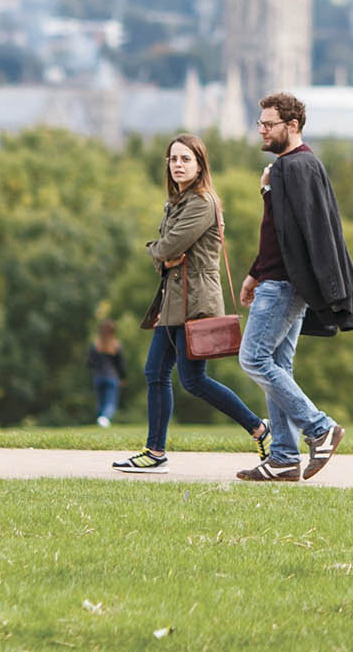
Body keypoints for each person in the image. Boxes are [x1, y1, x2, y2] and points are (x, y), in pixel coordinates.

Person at [111, 133, 270, 474]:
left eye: (186, 159)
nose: (178, 165)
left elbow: (169, 248)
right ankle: (155, 452)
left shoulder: (201, 202)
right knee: (155, 371)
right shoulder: (177, 202)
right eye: (173, 159)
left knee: (193, 380)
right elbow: (166, 252)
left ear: (200, 165)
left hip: (195, 302)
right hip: (173, 303)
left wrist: (158, 252)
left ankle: (259, 428)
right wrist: (162, 254)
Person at [235, 91, 353, 483]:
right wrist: (256, 272)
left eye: (269, 124)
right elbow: (280, 232)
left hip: (284, 284)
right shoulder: (292, 168)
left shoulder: (294, 167)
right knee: (278, 365)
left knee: (253, 359)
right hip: (278, 280)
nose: (262, 130)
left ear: (293, 126)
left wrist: (274, 277)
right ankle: (285, 458)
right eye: (260, 123)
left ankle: (320, 428)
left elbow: (307, 235)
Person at [86, 320, 125, 427]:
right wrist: (122, 378)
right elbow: (120, 364)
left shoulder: (95, 345)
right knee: (110, 402)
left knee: (100, 401)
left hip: (98, 376)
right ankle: (105, 418)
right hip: (112, 377)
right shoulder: (116, 345)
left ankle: (101, 419)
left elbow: (89, 363)